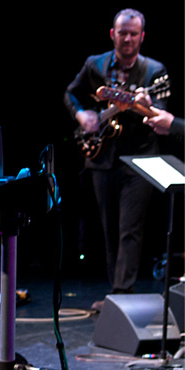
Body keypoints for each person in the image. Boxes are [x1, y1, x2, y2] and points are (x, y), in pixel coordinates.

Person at [64, 9, 169, 310]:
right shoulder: (94, 64)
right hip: (101, 157)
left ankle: (123, 295)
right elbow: (71, 94)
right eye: (122, 32)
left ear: (142, 37)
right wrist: (82, 114)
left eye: (133, 33)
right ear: (113, 34)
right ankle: (115, 291)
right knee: (109, 228)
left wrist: (144, 106)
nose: (127, 38)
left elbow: (160, 116)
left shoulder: (154, 72)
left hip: (140, 160)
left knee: (129, 228)